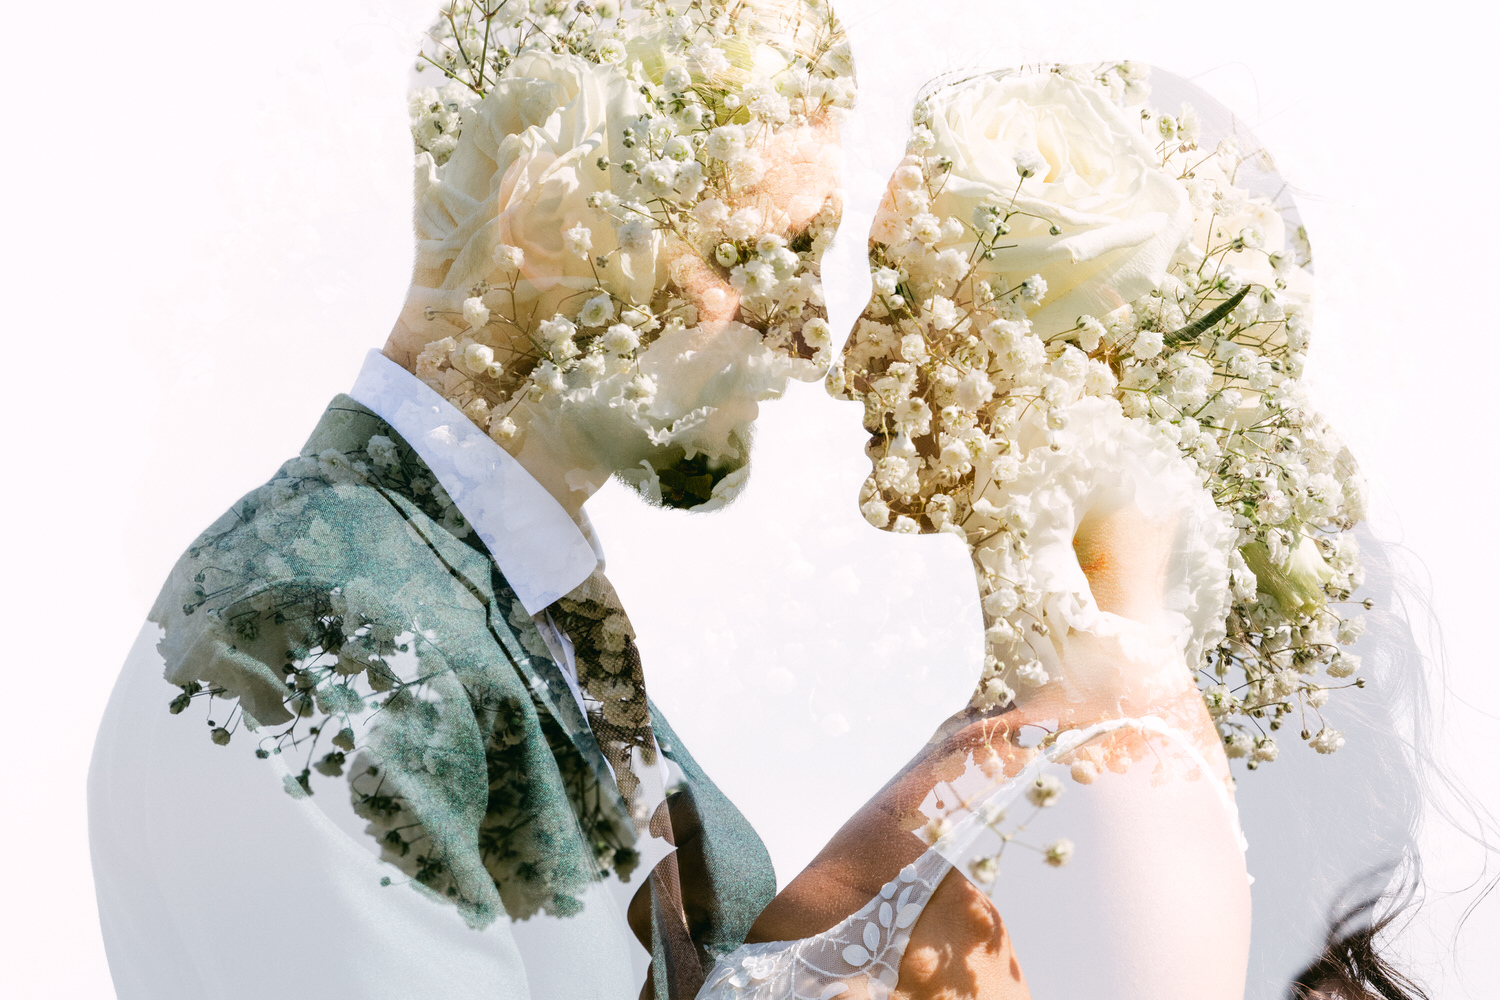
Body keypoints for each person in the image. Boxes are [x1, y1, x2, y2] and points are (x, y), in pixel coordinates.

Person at [87, 3, 854, 998]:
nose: (810, 338)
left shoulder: (492, 602)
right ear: (550, 224)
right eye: (756, 255)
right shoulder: (308, 637)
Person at [696, 63, 1427, 1000]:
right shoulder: (1018, 736)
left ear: (1079, 354)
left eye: (906, 294)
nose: (850, 361)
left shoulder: (1126, 793)